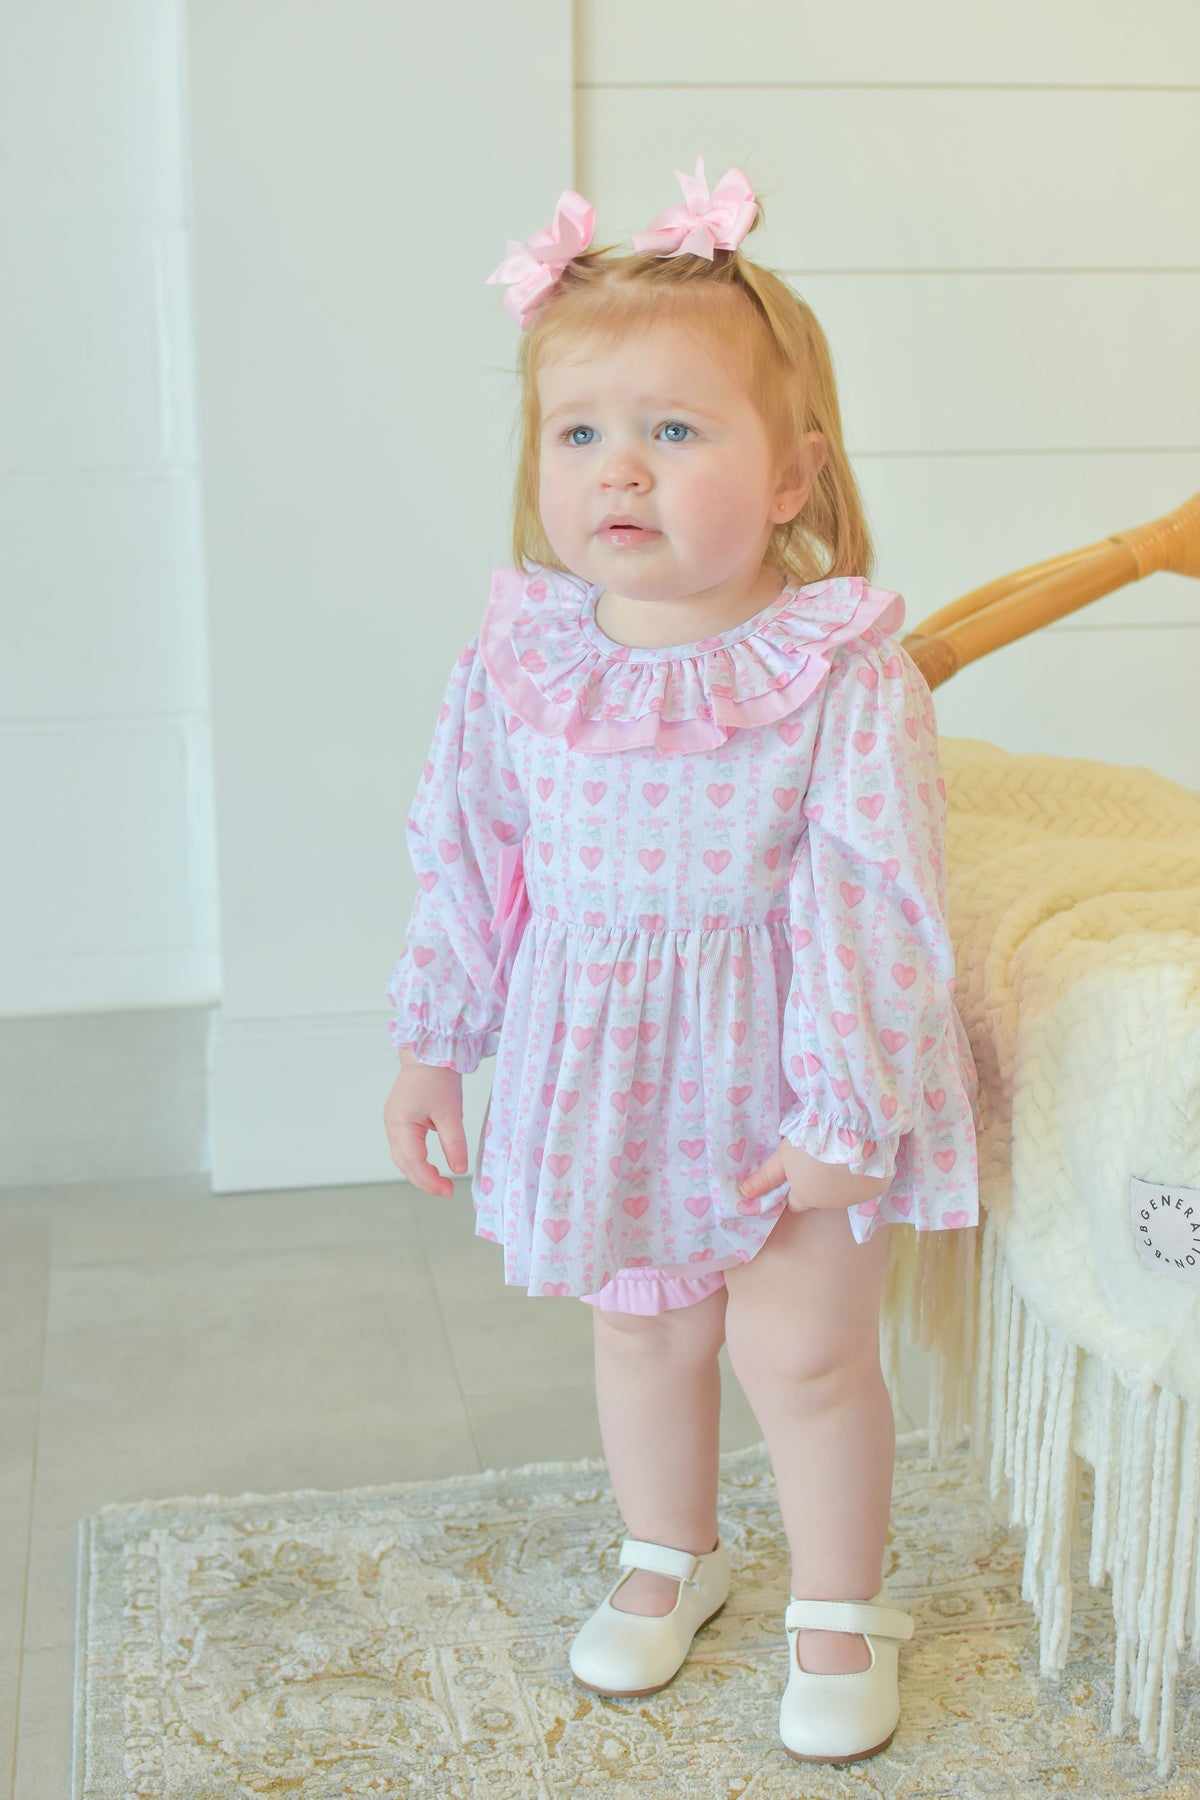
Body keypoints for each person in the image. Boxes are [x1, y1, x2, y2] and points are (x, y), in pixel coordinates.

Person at [382, 156, 980, 1765]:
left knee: (804, 1348)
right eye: (578, 434)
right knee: (642, 1331)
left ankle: (839, 1604)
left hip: (790, 1077)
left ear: (792, 477)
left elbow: (877, 898)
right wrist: (435, 1042)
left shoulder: (836, 672)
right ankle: (671, 1553)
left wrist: (845, 1110)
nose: (618, 472)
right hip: (607, 1073)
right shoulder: (525, 658)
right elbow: (469, 855)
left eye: (674, 430)